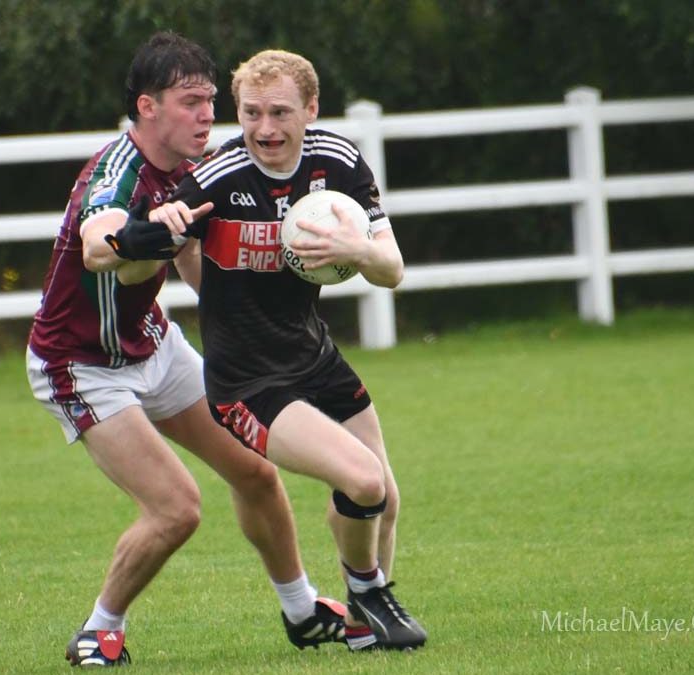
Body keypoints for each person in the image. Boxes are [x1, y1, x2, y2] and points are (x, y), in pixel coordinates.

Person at [26, 33, 347, 668]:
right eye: (190, 102)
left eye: (209, 102)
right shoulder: (116, 173)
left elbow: (198, 264)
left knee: (256, 472)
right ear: (148, 107)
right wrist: (136, 237)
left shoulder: (195, 172)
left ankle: (302, 611)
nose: (207, 116)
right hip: (80, 365)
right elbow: (98, 241)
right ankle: (99, 630)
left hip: (155, 345)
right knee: (176, 508)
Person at [144, 49, 427, 651]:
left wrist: (357, 249)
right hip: (248, 381)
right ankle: (368, 592)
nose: (265, 128)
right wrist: (163, 225)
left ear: (311, 109)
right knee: (363, 480)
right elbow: (165, 244)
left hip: (313, 356)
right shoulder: (218, 177)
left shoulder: (338, 163)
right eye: (251, 113)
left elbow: (392, 270)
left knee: (384, 498)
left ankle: (362, 630)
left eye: (279, 112)